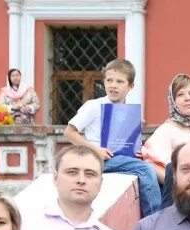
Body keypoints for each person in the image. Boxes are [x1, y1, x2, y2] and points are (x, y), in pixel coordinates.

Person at [63, 58, 162, 217]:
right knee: (146, 169)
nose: (113, 85)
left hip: (120, 159)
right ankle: (154, 219)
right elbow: (69, 132)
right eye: (109, 80)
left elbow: (127, 141)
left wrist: (136, 151)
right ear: (104, 81)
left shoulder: (128, 111)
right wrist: (96, 150)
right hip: (100, 158)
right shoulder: (93, 106)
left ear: (130, 86)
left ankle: (154, 214)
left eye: (119, 81)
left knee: (157, 170)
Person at [142, 73, 190, 176]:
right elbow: (152, 166)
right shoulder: (165, 131)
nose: (187, 98)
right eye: (180, 94)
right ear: (172, 101)